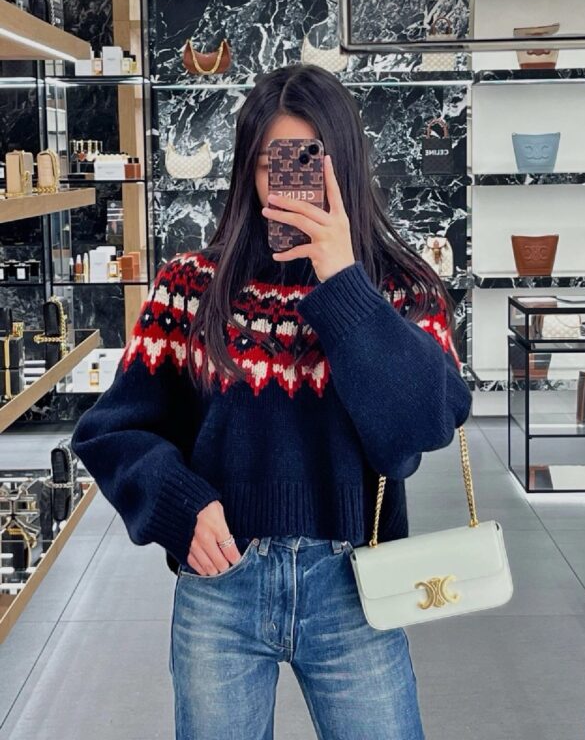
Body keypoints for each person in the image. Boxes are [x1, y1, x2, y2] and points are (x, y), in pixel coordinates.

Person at [71, 63, 472, 740]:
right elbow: (111, 430)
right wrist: (178, 504)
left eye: (309, 162)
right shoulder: (190, 286)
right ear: (247, 171)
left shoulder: (401, 288)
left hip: (356, 586)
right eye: (272, 164)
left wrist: (344, 282)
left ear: (344, 165)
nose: (290, 184)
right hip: (221, 585)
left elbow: (419, 428)